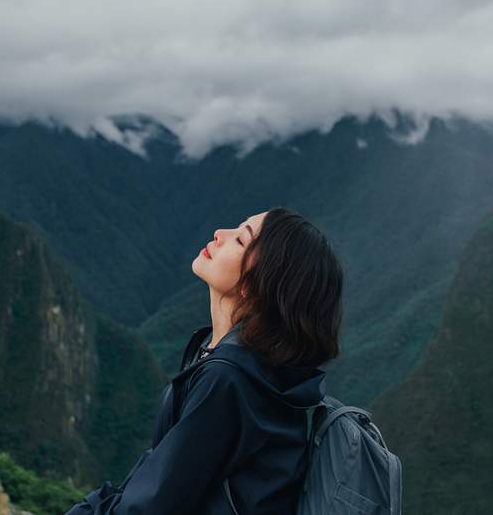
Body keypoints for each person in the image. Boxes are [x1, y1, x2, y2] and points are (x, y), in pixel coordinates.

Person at [65, 206, 343, 515]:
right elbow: (163, 473)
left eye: (240, 240)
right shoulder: (249, 366)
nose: (220, 234)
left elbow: (151, 506)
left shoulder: (229, 379)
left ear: (257, 285)